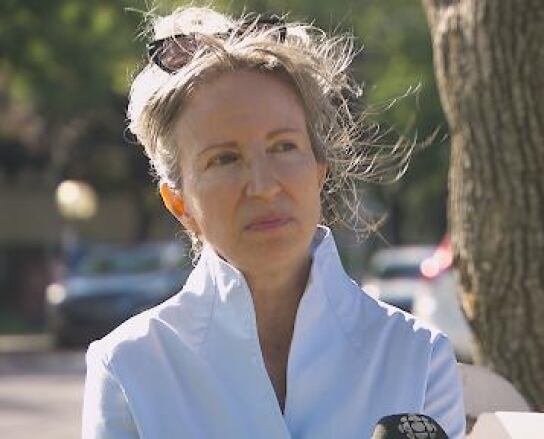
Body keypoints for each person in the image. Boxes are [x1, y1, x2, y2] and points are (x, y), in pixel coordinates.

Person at [81, 7, 465, 439]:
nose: (263, 186)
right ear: (178, 202)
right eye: (224, 159)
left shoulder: (416, 357)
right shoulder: (130, 367)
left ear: (320, 168)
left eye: (283, 147)